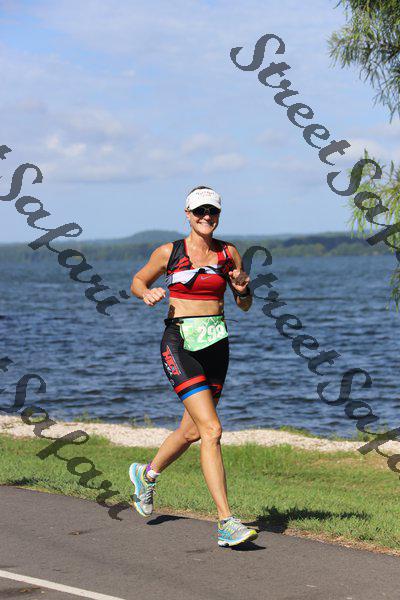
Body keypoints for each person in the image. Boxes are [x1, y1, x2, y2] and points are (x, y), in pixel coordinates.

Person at [129, 185, 258, 547]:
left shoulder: (229, 253)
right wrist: (147, 293)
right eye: (199, 211)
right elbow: (137, 280)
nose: (206, 217)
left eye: (212, 211)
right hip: (180, 342)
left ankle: (146, 474)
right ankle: (226, 521)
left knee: (191, 432)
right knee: (212, 430)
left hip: (216, 345)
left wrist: (242, 289)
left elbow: (244, 304)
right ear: (187, 214)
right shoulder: (169, 252)